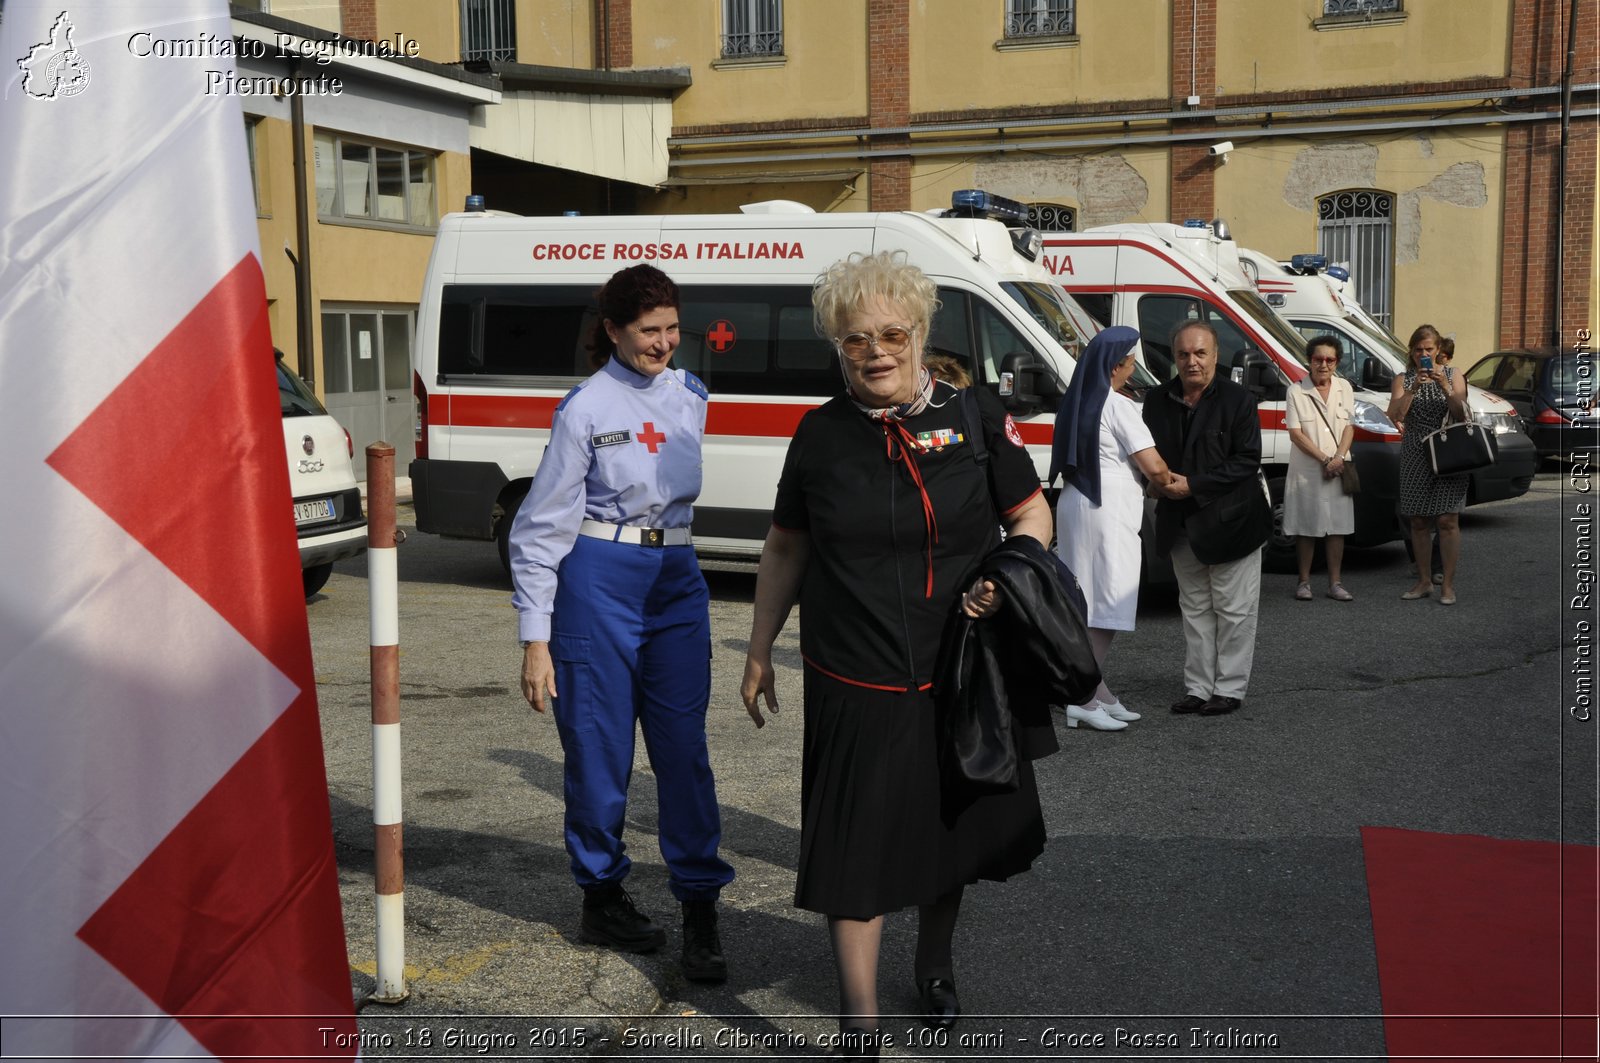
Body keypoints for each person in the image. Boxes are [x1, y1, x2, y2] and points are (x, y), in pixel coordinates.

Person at [739, 251, 1054, 1055]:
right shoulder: (818, 433)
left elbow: (1031, 514)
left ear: (920, 332)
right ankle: (859, 1019)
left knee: (946, 828)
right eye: (854, 339)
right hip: (852, 673)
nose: (875, 350)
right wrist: (759, 647)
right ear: (837, 347)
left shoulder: (976, 415)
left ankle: (935, 961)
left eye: (890, 333)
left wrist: (1001, 578)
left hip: (959, 663)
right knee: (856, 846)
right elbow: (784, 547)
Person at [507, 263, 734, 983]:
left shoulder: (692, 393)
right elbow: (539, 529)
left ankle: (700, 906)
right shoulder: (583, 409)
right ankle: (601, 894)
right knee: (600, 751)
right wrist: (534, 639)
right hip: (598, 580)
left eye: (672, 329)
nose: (664, 343)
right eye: (648, 332)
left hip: (677, 580)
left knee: (683, 754)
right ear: (611, 330)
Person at [1142, 321, 1270, 717]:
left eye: (1200, 354)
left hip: (1232, 523)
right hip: (1181, 524)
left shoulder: (1238, 400)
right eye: (1183, 354)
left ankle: (1229, 689)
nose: (1191, 362)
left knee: (1234, 610)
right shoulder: (1156, 400)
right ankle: (1198, 688)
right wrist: (1155, 484)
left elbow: (1247, 461)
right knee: (1195, 609)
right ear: (1174, 357)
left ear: (1215, 356)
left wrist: (1193, 485)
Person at [1048, 326, 1173, 730]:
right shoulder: (1117, 404)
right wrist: (1175, 483)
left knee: (1084, 602)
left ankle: (1099, 693)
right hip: (1107, 509)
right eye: (1132, 361)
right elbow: (1153, 465)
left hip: (1075, 505)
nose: (1134, 367)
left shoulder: (1076, 399)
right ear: (1117, 365)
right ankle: (1081, 696)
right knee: (1107, 604)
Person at [1388, 324, 1469, 605]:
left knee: (1448, 520)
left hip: (1448, 450)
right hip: (1415, 452)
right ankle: (1423, 581)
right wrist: (1411, 389)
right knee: (1419, 521)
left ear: (1439, 351)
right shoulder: (1402, 378)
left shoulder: (1453, 374)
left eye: (1429, 349)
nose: (1424, 354)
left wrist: (1445, 387)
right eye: (1418, 349)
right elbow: (1395, 415)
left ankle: (1447, 584)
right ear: (1411, 352)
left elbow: (1461, 412)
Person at [1283, 335, 1356, 602]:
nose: (1323, 365)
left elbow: (1349, 426)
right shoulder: (1295, 391)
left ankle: (1335, 583)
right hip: (1308, 470)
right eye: (1318, 359)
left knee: (1337, 526)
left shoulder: (1344, 388)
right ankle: (1304, 582)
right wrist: (1325, 460)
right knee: (1306, 525)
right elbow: (1296, 434)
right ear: (1309, 361)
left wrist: (1337, 458)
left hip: (1338, 467)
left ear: (1336, 362)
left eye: (1329, 359)